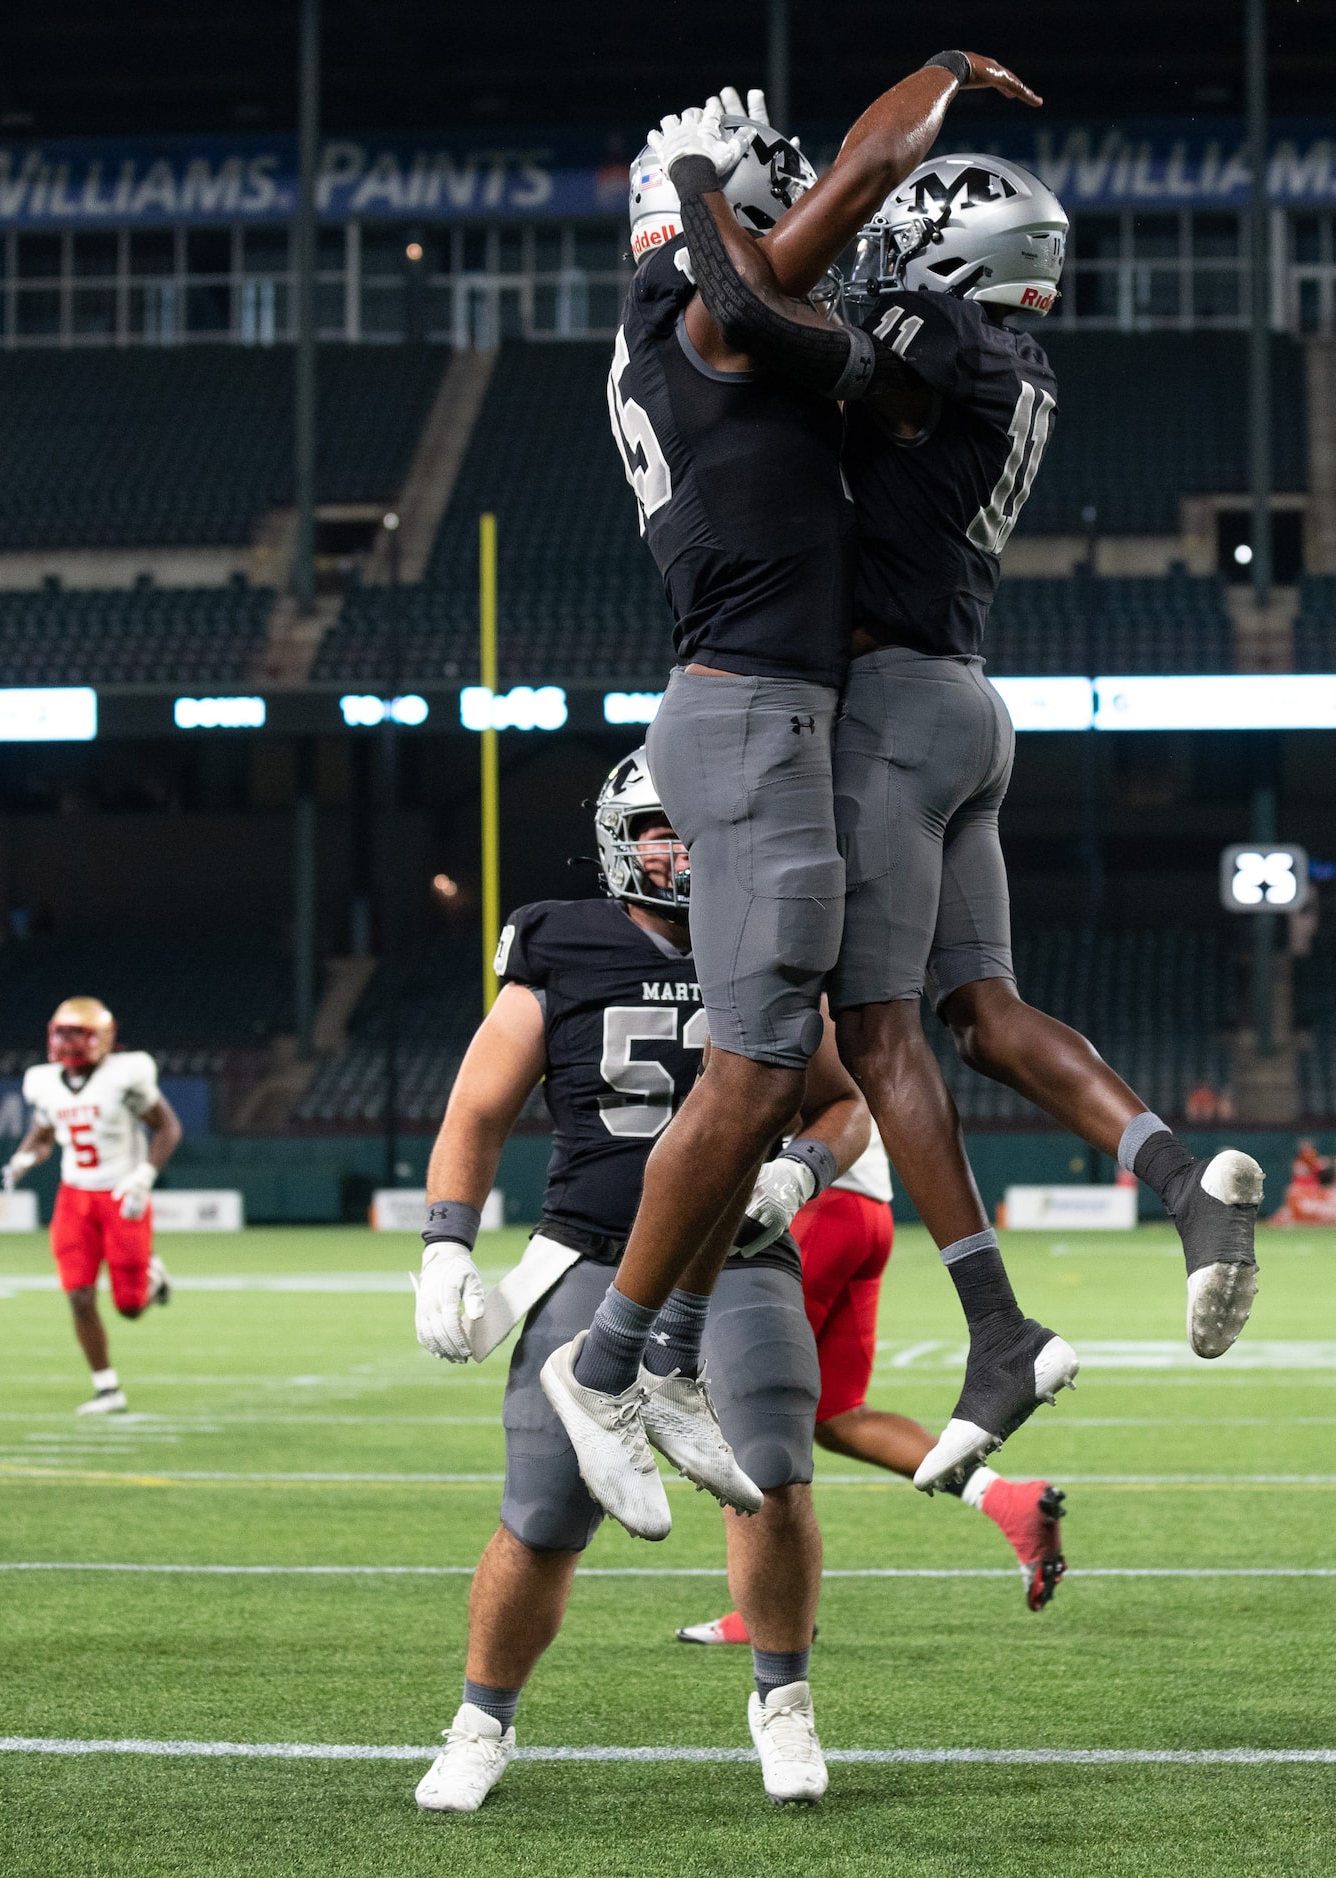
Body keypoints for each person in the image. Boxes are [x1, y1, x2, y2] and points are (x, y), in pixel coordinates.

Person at [653, 105, 1264, 1490]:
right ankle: (1179, 1187)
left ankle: (994, 1328)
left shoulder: (947, 342)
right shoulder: (1015, 355)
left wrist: (694, 190)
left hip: (887, 707)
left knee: (874, 1029)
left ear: (948, 245)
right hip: (966, 704)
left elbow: (755, 319)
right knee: (980, 1015)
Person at [545, 54, 1043, 1540]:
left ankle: (667, 1346)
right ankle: (605, 1356)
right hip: (746, 712)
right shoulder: (704, 311)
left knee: (790, 1052)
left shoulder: (683, 327)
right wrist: (936, 73)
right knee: (760, 1070)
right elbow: (855, 193)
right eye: (780, 190)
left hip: (775, 711)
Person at [410, 750, 870, 1810]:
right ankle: (482, 1721)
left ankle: (783, 1704)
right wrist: (444, 1242)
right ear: (624, 836)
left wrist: (799, 1171)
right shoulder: (561, 941)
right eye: (661, 825)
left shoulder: (766, 941)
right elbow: (476, 1108)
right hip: (589, 1253)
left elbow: (842, 1101)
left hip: (739, 1260)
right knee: (541, 1509)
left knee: (768, 1469)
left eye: (696, 825)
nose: (681, 846)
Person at [677, 1120, 1067, 1644]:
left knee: (748, 1406)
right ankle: (1007, 1503)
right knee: (838, 1415)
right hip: (864, 1211)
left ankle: (768, 1610)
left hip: (808, 1205)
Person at [3, 996, 182, 1414]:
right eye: (61, 1032)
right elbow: (44, 1130)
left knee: (130, 1307)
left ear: (102, 1038)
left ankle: (153, 1280)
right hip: (75, 1195)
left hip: (122, 1193)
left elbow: (168, 1126)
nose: (67, 1042)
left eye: (76, 1033)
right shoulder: (43, 1081)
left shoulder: (126, 1074)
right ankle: (107, 1389)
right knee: (79, 1296)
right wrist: (25, 1157)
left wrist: (145, 1174)